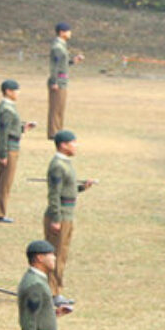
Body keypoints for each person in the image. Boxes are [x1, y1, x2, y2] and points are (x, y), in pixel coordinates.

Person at [43, 129, 93, 307]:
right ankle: (52, 292)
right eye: (73, 142)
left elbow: (66, 190)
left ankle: (55, 290)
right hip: (60, 216)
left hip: (67, 215)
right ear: (63, 145)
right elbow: (54, 194)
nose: (76, 146)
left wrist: (82, 188)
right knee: (55, 255)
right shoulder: (58, 165)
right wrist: (56, 219)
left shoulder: (65, 163)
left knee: (61, 254)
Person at [0, 79, 35, 222]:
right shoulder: (6, 109)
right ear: (8, 91)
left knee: (4, 182)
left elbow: (11, 129)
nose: (18, 93)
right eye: (16, 90)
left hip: (12, 146)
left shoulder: (10, 107)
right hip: (9, 149)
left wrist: (23, 128)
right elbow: (3, 134)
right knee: (4, 183)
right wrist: (3, 154)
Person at [46, 21, 82, 139]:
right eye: (68, 31)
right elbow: (55, 66)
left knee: (60, 108)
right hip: (58, 81)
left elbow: (63, 64)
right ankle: (53, 133)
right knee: (55, 108)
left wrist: (73, 61)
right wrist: (54, 82)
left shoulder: (62, 45)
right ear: (61, 32)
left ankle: (58, 131)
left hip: (63, 80)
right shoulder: (57, 47)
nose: (70, 33)